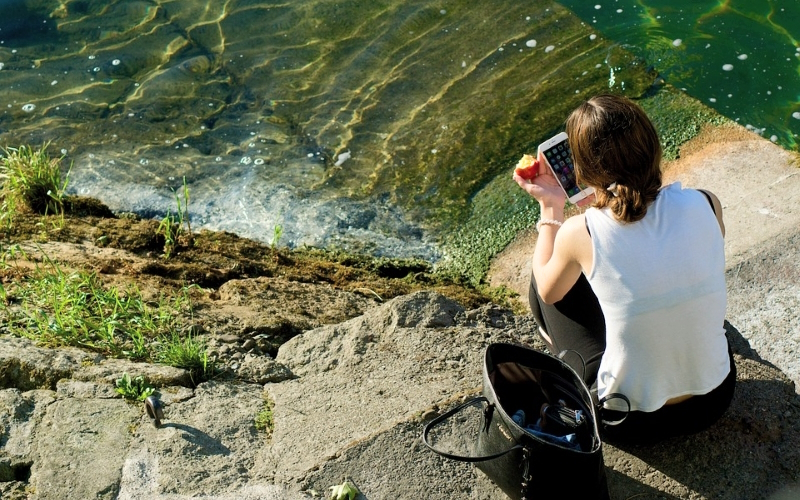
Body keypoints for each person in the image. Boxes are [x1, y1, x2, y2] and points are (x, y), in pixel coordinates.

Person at [512, 94, 736, 443]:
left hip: (629, 423)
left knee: (546, 274)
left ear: (584, 170)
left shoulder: (580, 231)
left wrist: (551, 208)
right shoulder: (706, 202)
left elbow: (548, 291)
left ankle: (562, 348)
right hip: (715, 398)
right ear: (654, 147)